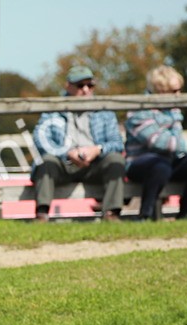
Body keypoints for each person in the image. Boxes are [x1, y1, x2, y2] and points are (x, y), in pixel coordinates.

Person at [31, 65, 126, 222]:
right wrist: (67, 153)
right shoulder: (53, 109)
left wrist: (97, 150)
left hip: (95, 165)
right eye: (80, 85)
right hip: (64, 164)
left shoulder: (104, 110)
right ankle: (42, 215)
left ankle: (111, 215)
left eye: (90, 85)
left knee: (116, 159)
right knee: (46, 162)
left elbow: (117, 143)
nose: (86, 90)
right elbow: (41, 139)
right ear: (68, 86)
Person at [124, 66, 187, 220]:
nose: (179, 95)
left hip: (170, 161)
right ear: (160, 91)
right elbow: (157, 141)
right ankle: (146, 216)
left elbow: (175, 141)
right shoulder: (139, 110)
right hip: (140, 163)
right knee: (159, 166)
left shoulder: (174, 110)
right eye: (174, 91)